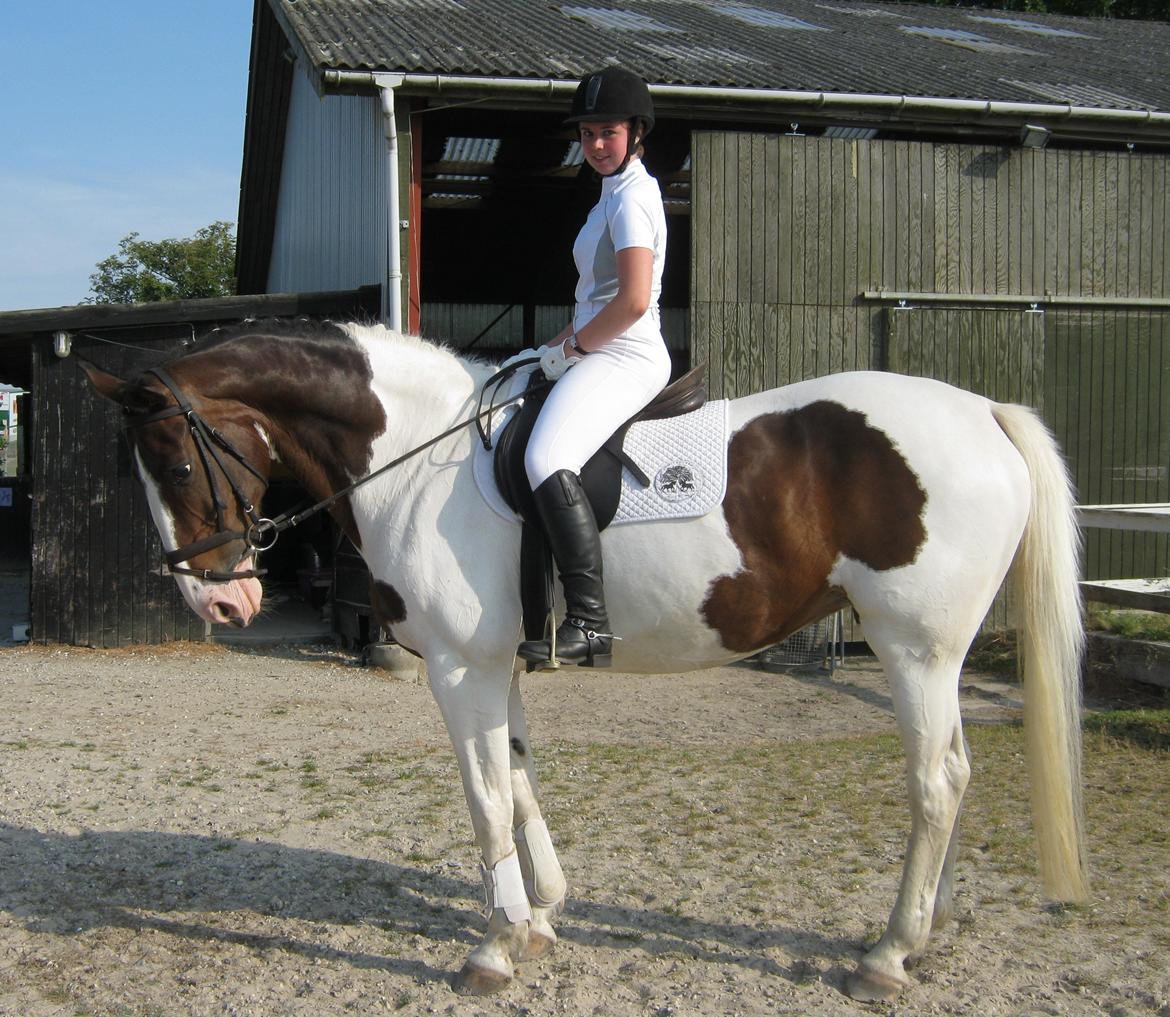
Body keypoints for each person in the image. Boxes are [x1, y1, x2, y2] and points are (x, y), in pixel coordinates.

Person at [516, 66, 670, 669]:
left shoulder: (634, 199)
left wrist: (573, 352)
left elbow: (632, 302)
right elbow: (592, 304)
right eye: (586, 134)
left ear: (635, 131)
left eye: (607, 132)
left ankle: (589, 620)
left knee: (544, 457)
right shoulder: (608, 197)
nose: (596, 145)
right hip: (601, 345)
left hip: (627, 354)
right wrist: (544, 351)